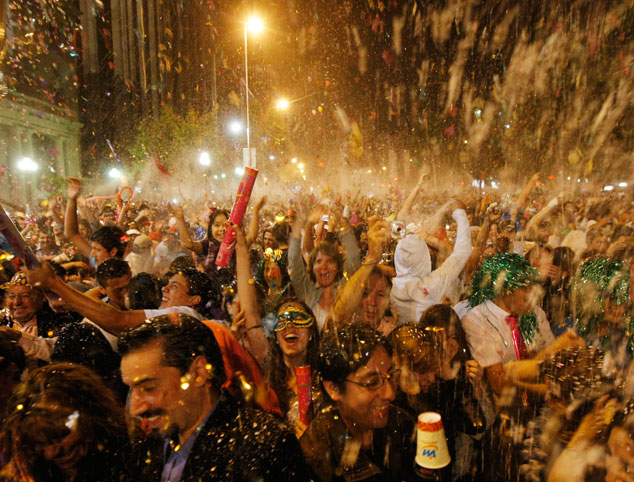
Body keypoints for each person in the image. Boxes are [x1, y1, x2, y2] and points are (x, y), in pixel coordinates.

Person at [119, 314, 313, 481]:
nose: (136, 408)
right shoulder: (149, 444)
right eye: (131, 390)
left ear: (198, 372)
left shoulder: (262, 446)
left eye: (149, 388)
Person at [300, 323, 417, 481]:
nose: (390, 394)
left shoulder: (401, 424)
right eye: (372, 383)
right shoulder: (314, 457)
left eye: (390, 376)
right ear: (334, 388)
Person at [0, 363, 132, 481]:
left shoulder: (132, 455)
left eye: (59, 437)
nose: (51, 453)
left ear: (91, 415)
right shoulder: (27, 465)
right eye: (40, 444)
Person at [391, 199, 472, 323]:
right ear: (425, 257)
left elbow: (399, 222)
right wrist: (460, 213)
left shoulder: (391, 287)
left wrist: (441, 211)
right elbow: (462, 252)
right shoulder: (431, 285)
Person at [262, 298, 323, 436]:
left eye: (299, 319)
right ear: (276, 337)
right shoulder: (268, 383)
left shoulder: (325, 376)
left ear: (311, 333)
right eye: (281, 322)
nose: (289, 326)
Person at [0, 271, 77, 361]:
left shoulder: (58, 322)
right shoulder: (4, 321)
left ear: (43, 297)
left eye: (25, 296)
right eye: (12, 296)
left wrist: (15, 336)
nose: (17, 302)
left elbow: (58, 353)